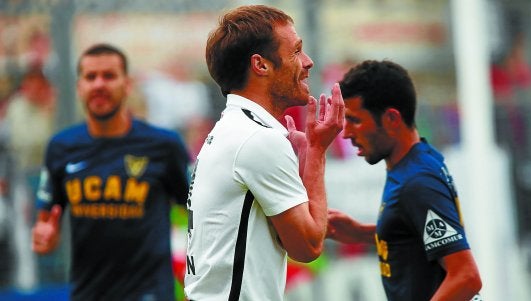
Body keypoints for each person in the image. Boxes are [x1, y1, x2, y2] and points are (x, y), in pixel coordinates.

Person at [184, 5, 343, 301]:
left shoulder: (234, 129)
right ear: (261, 65)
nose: (308, 62)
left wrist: (304, 158)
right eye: (296, 51)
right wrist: (318, 150)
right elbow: (307, 247)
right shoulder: (257, 139)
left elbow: (286, 234)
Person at [31, 43, 191, 301]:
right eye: (90, 77)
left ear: (127, 84)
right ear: (79, 86)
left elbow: (195, 210)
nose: (99, 85)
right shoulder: (61, 147)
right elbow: (46, 221)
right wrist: (44, 237)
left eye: (109, 76)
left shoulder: (164, 145)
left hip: (148, 292)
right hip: (87, 292)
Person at [327, 60, 483, 301]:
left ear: (391, 119)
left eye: (355, 120)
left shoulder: (417, 181)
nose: (346, 133)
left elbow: (466, 277)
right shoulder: (416, 162)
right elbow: (418, 234)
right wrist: (363, 233)